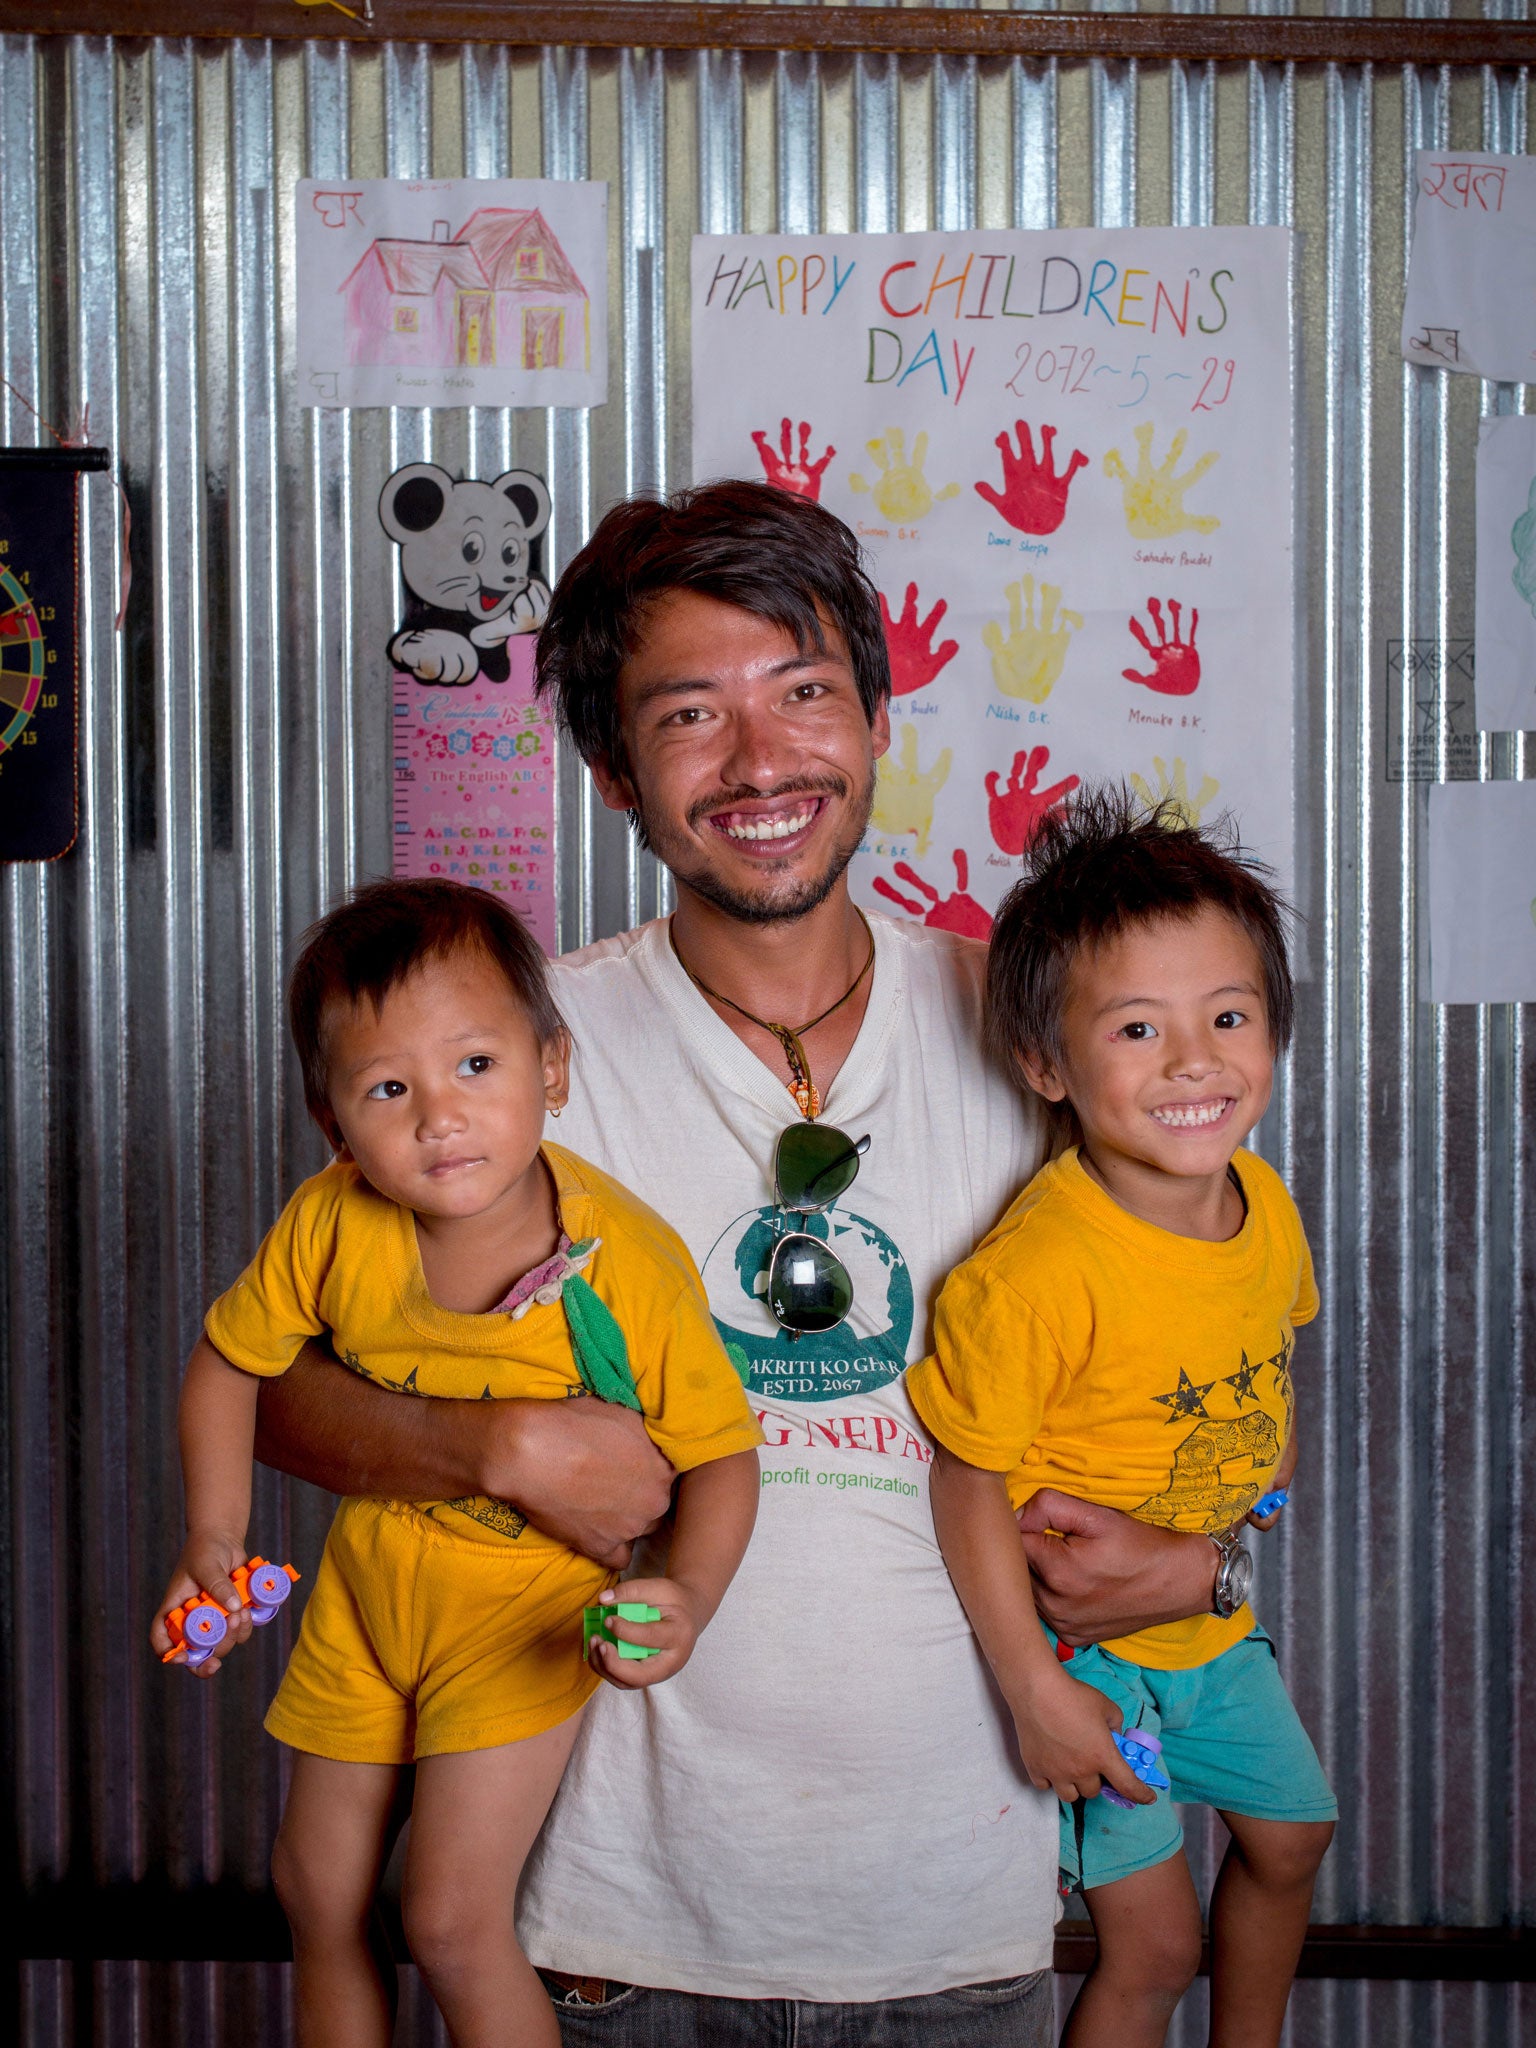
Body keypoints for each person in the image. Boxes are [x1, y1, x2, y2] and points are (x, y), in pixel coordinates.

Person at [248, 482, 1229, 2046]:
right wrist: (489, 1443)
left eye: (803, 694)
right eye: (691, 715)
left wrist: (1213, 1560)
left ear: (880, 715)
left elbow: (1209, 1341)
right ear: (612, 771)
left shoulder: (1043, 1034)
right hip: (620, 1940)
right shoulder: (511, 1059)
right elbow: (280, 1391)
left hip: (959, 1927)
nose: (763, 762)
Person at [150, 879, 762, 2048]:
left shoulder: (622, 1255)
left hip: (520, 1617)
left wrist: (688, 1592)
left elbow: (724, 1456)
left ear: (553, 1068)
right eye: (390, 1088)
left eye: (476, 1065)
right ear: (334, 1125)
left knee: (447, 1917)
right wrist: (213, 1539)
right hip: (371, 1596)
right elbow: (229, 1364)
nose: (440, 1115)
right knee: (315, 1888)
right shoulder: (330, 1222)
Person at [908, 788, 1336, 2048]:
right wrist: (1035, 1685)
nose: (1195, 1059)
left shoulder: (1264, 1202)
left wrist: (1243, 1524)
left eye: (1228, 1015)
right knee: (1154, 1941)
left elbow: (1271, 1378)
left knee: (1295, 1836)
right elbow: (964, 1476)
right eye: (1139, 1028)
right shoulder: (1036, 1269)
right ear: (1048, 1063)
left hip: (1211, 1625)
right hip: (1091, 1653)